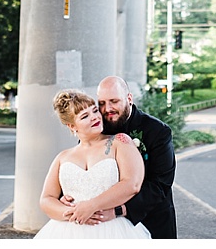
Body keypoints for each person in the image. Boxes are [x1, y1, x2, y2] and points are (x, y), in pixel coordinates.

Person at [34, 89, 152, 239]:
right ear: (72, 126)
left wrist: (91, 206)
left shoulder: (120, 142)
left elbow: (132, 184)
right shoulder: (63, 157)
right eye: (85, 116)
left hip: (113, 231)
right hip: (66, 232)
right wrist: (74, 214)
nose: (94, 117)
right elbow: (46, 199)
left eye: (95, 110)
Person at [96, 75, 177, 239]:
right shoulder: (95, 130)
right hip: (105, 227)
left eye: (114, 101)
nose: (107, 108)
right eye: (102, 103)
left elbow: (160, 184)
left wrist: (119, 211)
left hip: (151, 222)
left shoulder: (158, 131)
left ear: (129, 99)